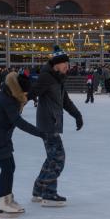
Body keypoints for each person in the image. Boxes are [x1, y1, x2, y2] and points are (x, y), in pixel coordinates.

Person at [0, 72, 47, 217]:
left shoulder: (7, 94)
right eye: (24, 92)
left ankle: (8, 199)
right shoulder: (7, 100)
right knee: (7, 169)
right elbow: (19, 122)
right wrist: (41, 133)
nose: (25, 95)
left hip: (1, 138)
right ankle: (2, 203)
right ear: (17, 89)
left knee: (10, 167)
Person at [28, 45, 83, 207]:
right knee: (59, 159)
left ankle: (39, 190)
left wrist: (77, 115)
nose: (68, 67)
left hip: (52, 123)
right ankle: (49, 194)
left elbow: (65, 101)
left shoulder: (58, 79)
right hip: (48, 124)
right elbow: (31, 93)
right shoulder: (47, 77)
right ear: (57, 64)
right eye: (65, 64)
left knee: (51, 158)